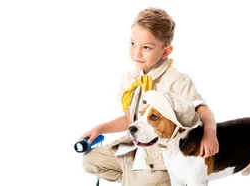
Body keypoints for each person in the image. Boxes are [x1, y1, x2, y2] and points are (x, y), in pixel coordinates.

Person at [80, 7, 219, 186]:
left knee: (146, 176)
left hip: (161, 156)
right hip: (136, 146)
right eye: (132, 44)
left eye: (146, 47)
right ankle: (137, 177)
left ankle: (150, 179)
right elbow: (129, 119)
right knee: (90, 160)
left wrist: (209, 134)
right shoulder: (131, 78)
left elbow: (203, 110)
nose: (136, 53)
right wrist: (100, 129)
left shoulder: (177, 81)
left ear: (165, 52)